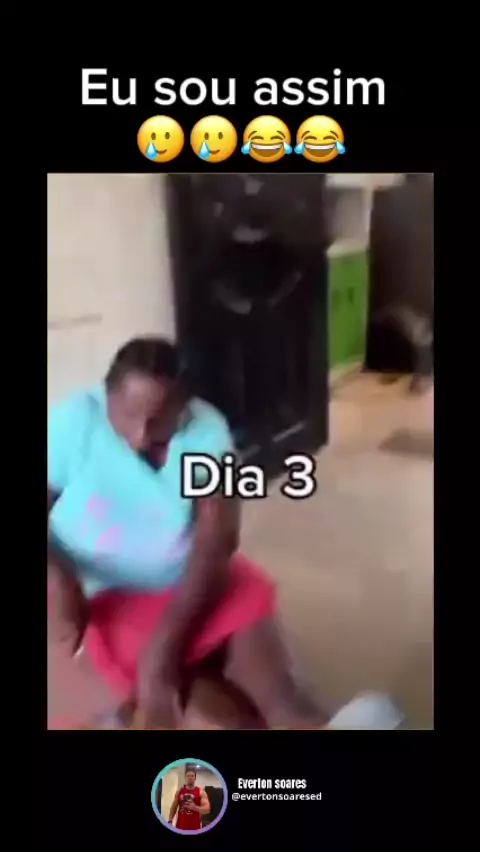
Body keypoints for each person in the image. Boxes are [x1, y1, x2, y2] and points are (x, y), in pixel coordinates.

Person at [48, 336, 325, 729]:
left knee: (282, 703)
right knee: (203, 711)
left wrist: (161, 655)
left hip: (195, 585)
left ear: (184, 406)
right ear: (106, 395)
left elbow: (216, 544)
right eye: (127, 416)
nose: (141, 436)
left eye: (160, 420)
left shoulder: (207, 431)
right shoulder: (74, 422)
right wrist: (59, 575)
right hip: (103, 600)